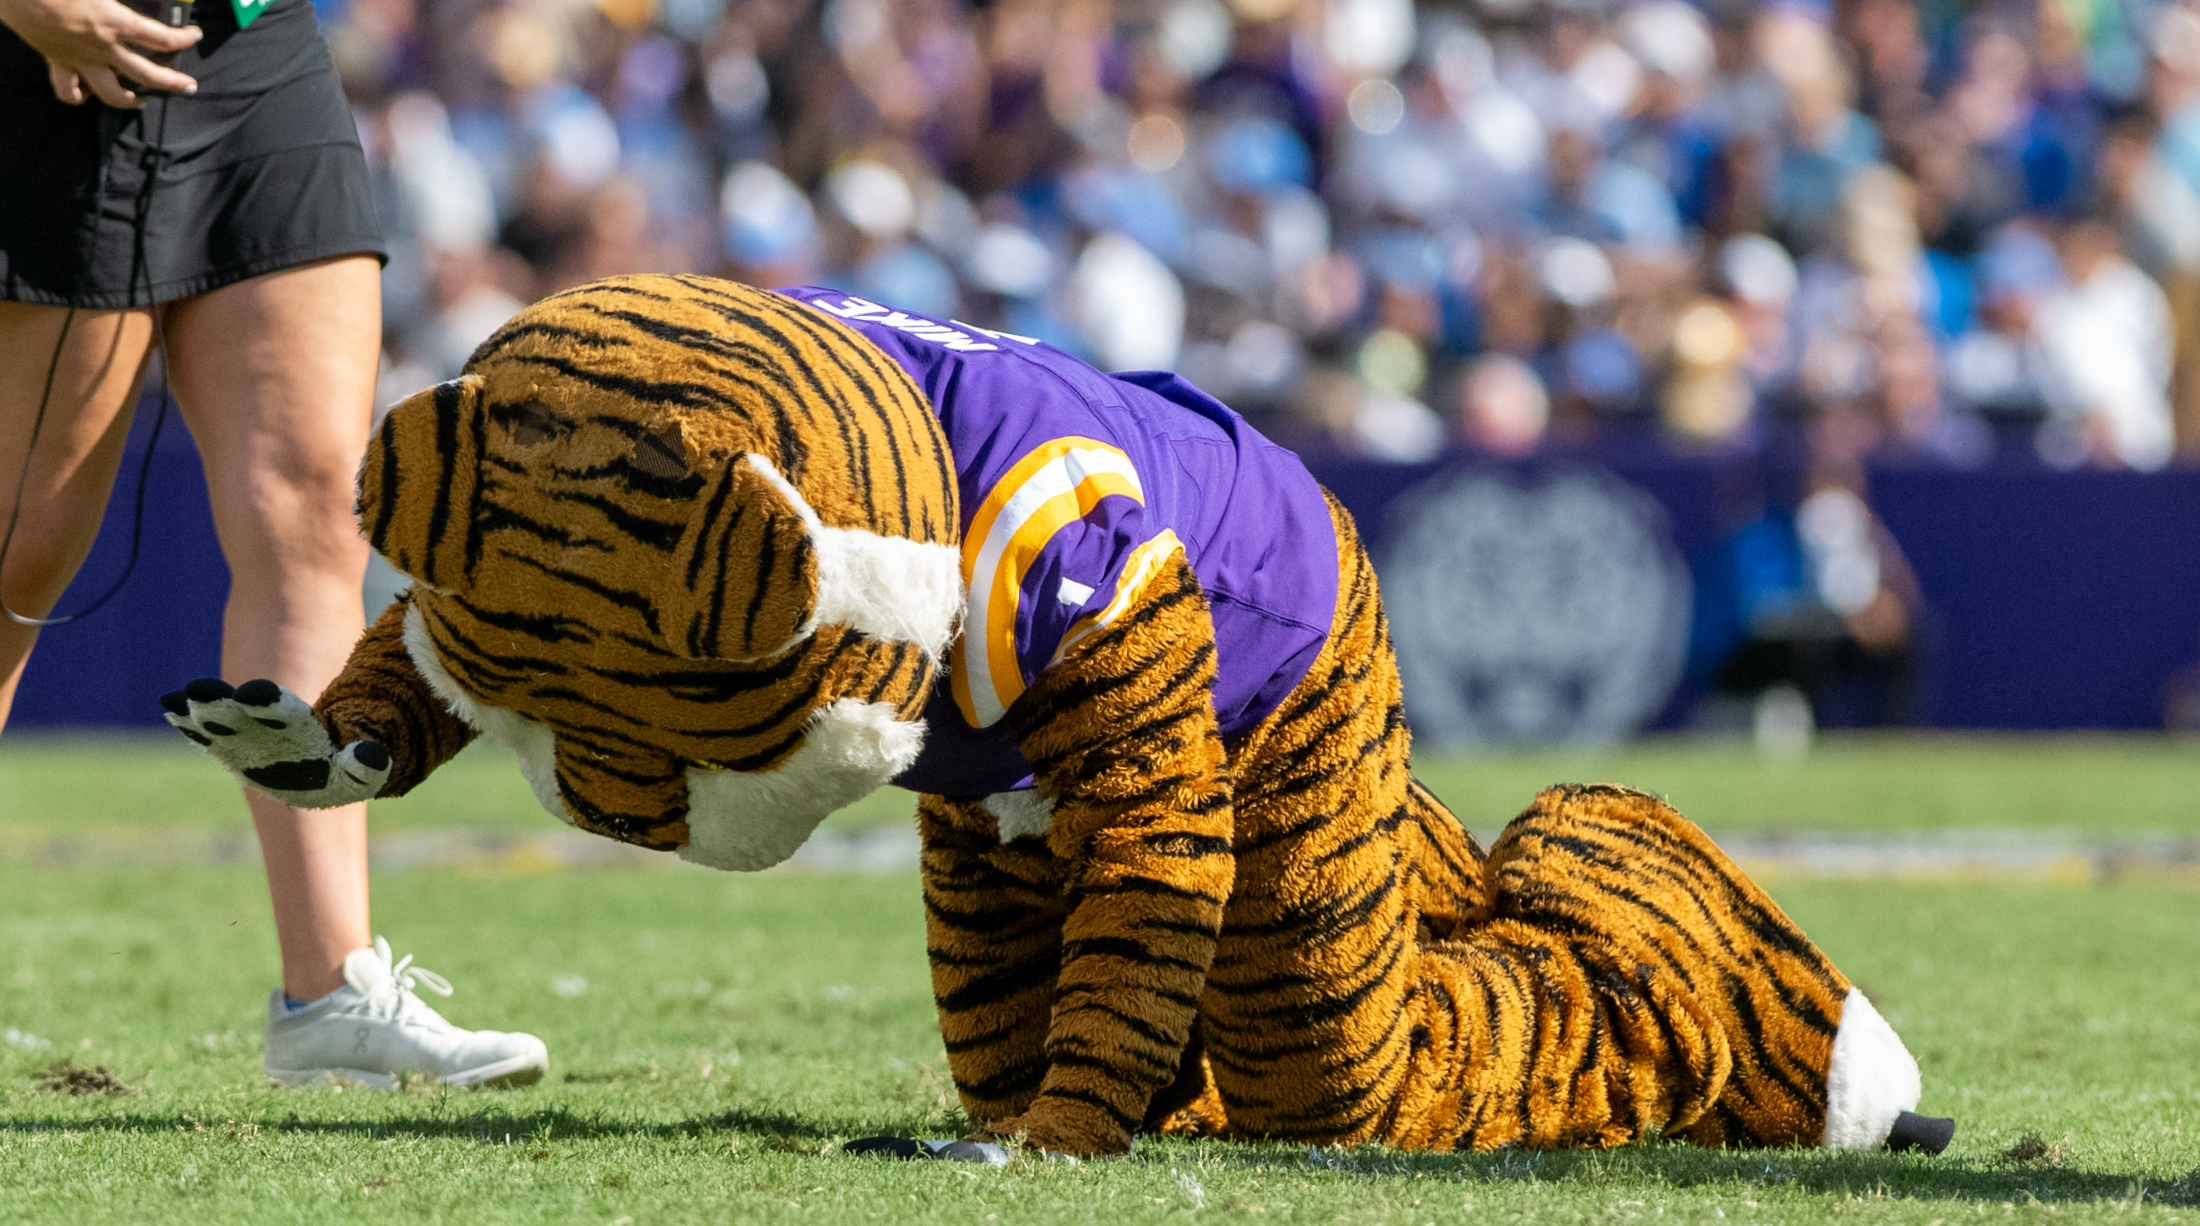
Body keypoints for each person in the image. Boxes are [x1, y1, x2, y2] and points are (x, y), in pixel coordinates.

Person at [0, 0, 543, 1087]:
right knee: (18, 553)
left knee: (313, 516)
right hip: (55, 64)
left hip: (256, 51)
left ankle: (331, 992)